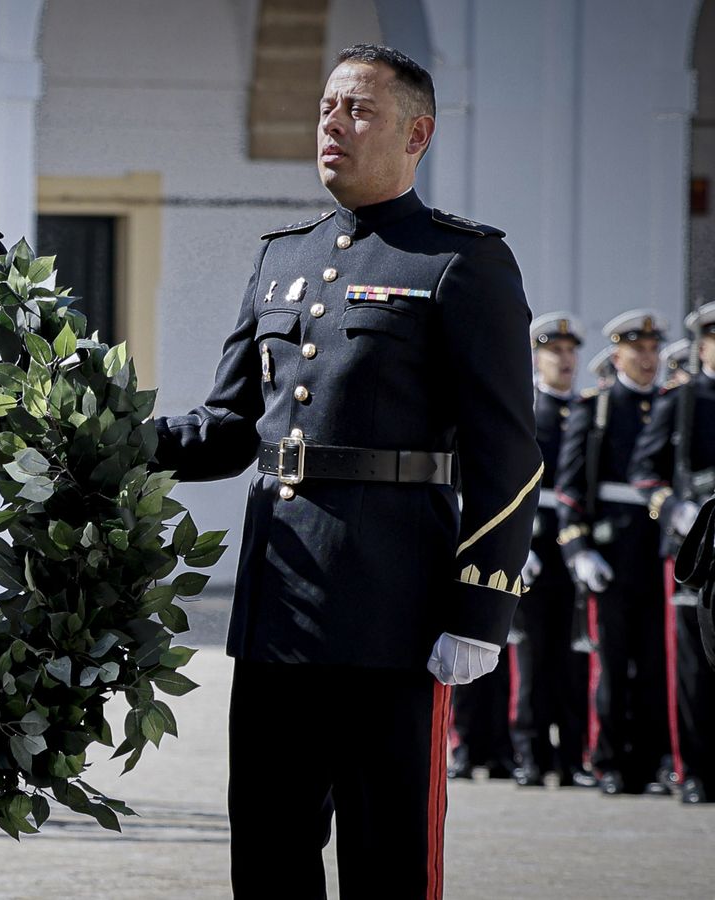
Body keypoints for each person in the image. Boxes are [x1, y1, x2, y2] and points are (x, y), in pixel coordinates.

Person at [151, 44, 540, 896]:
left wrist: (481, 608)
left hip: (391, 610)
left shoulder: (460, 263)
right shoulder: (280, 258)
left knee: (385, 852)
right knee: (267, 843)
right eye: (328, 107)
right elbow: (225, 433)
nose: (333, 123)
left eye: (358, 110)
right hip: (276, 609)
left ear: (417, 134)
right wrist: (111, 440)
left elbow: (507, 452)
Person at [556, 310, 674, 795]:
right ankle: (607, 762)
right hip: (611, 552)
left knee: (654, 663)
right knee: (610, 662)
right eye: (637, 350)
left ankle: (649, 763)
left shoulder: (673, 404)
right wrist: (579, 548)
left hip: (658, 550)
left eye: (653, 351)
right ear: (618, 354)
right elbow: (568, 488)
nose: (647, 360)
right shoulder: (598, 407)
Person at [628, 301, 715, 805]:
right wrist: (675, 509)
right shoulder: (681, 401)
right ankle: (693, 769)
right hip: (696, 550)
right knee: (690, 665)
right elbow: (645, 473)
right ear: (702, 345)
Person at [509, 312, 596, 788]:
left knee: (574, 658)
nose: (564, 360)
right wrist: (517, 545)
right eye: (553, 351)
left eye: (569, 351)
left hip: (575, 551)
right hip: (535, 550)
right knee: (532, 658)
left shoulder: (586, 411)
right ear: (536, 358)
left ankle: (571, 759)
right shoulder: (528, 411)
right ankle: (531, 754)